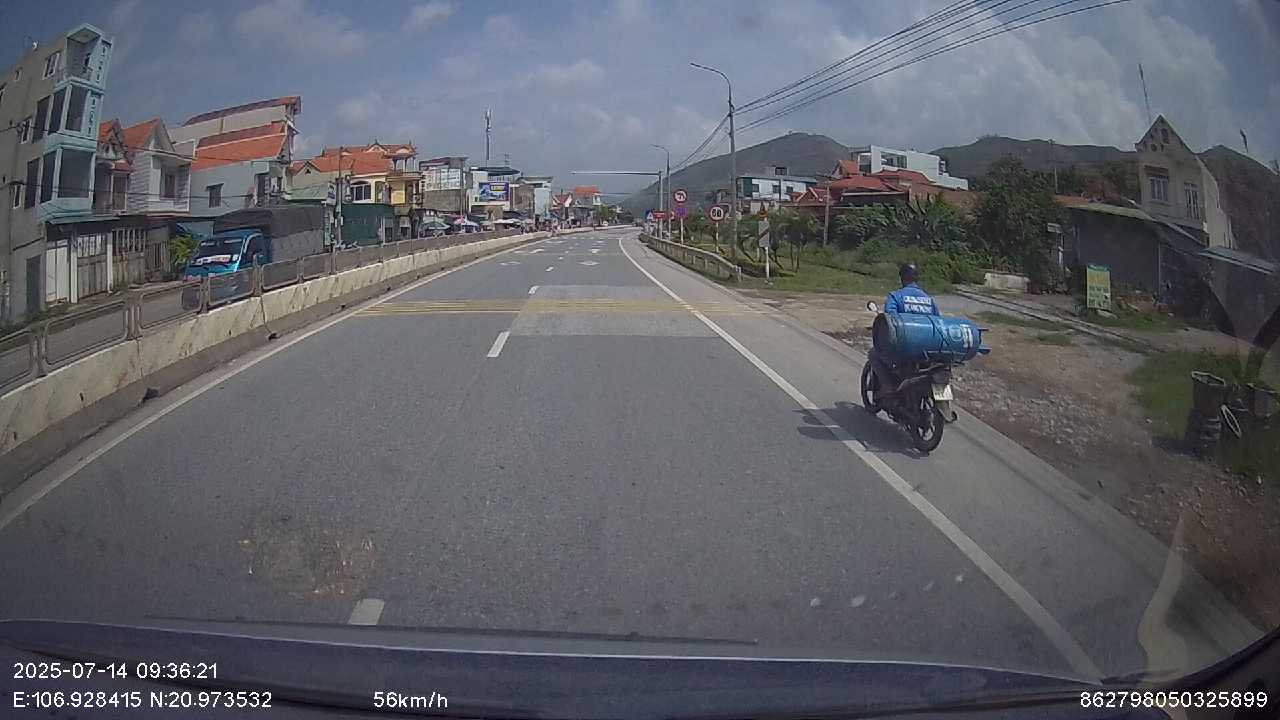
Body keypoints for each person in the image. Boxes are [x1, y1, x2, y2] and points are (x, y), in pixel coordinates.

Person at [868, 264, 939, 403]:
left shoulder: (896, 296)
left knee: (873, 354)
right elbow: (937, 323)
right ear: (916, 278)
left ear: (901, 278)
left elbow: (890, 321)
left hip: (904, 348)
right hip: (928, 350)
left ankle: (888, 386)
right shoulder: (929, 300)